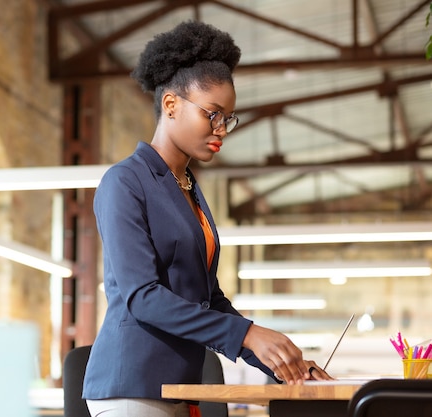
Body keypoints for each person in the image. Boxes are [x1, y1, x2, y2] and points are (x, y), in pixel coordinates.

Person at [82, 21, 332, 417]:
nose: (221, 130)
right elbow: (142, 296)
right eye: (212, 114)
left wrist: (285, 367)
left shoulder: (189, 191)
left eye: (228, 118)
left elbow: (208, 298)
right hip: (132, 384)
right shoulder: (125, 181)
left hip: (181, 387)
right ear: (171, 105)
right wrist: (249, 334)